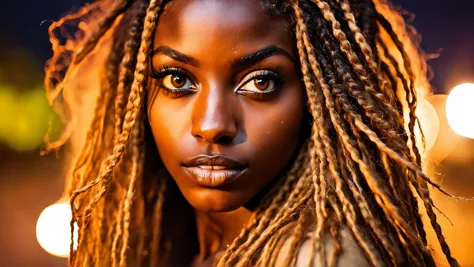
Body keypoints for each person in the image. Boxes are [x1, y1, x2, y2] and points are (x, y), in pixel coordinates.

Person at [44, 0, 460, 266]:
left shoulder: (324, 258)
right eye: (176, 79)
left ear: (322, 97)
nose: (211, 124)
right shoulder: (173, 237)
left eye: (260, 82)